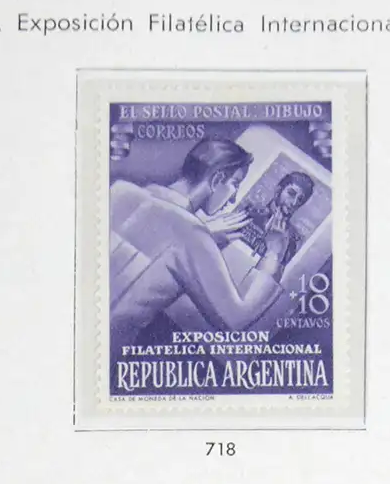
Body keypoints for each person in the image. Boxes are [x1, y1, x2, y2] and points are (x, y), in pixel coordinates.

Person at [109, 136, 293, 337]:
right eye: (235, 184)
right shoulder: (193, 235)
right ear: (216, 180)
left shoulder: (120, 191)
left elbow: (152, 246)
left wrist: (204, 237)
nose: (233, 198)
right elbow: (236, 318)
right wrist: (274, 255)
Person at [236, 170, 313, 266]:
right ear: (278, 190)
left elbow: (277, 272)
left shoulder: (293, 240)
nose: (294, 203)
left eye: (300, 200)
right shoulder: (250, 211)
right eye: (291, 193)